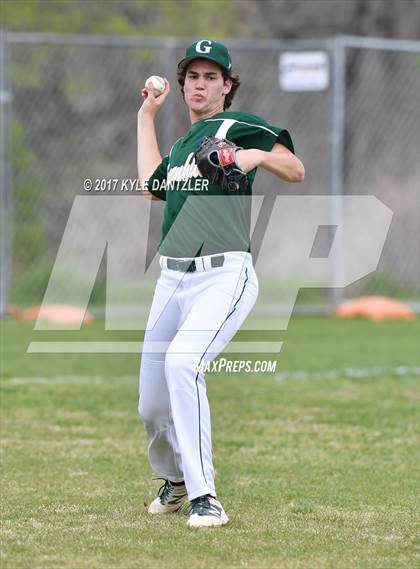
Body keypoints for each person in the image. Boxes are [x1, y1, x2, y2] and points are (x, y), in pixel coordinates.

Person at [137, 39, 304, 528]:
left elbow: (294, 169)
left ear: (228, 87)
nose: (200, 84)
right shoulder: (184, 147)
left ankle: (205, 495)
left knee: (184, 363)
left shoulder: (237, 124)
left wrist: (251, 157)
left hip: (223, 274)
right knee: (151, 403)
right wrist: (147, 116)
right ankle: (176, 480)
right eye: (193, 76)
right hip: (172, 278)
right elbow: (152, 186)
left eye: (212, 77)